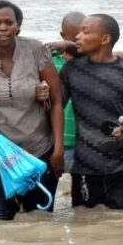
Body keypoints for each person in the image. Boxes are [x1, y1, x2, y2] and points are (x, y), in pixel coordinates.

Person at [0, 0, 64, 220]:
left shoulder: (36, 50)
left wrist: (58, 151)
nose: (3, 28)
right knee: (1, 221)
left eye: (9, 22)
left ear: (18, 26)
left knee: (40, 221)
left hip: (38, 152)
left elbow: (56, 102)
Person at [60, 14, 123, 213]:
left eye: (85, 32)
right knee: (84, 224)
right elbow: (55, 106)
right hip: (85, 167)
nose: (77, 36)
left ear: (105, 39)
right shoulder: (71, 70)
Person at [51, 11, 86, 173]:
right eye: (72, 40)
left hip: (86, 139)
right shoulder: (50, 60)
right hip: (61, 139)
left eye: (83, 35)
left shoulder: (92, 60)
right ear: (62, 36)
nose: (76, 43)